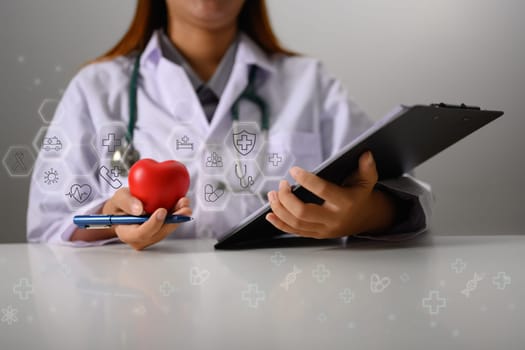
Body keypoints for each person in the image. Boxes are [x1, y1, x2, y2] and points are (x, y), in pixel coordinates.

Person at [27, 0, 432, 250]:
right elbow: (46, 229)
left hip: (284, 316)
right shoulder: (96, 88)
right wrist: (110, 221)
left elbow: (407, 193)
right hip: (140, 318)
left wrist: (366, 215)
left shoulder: (309, 83)